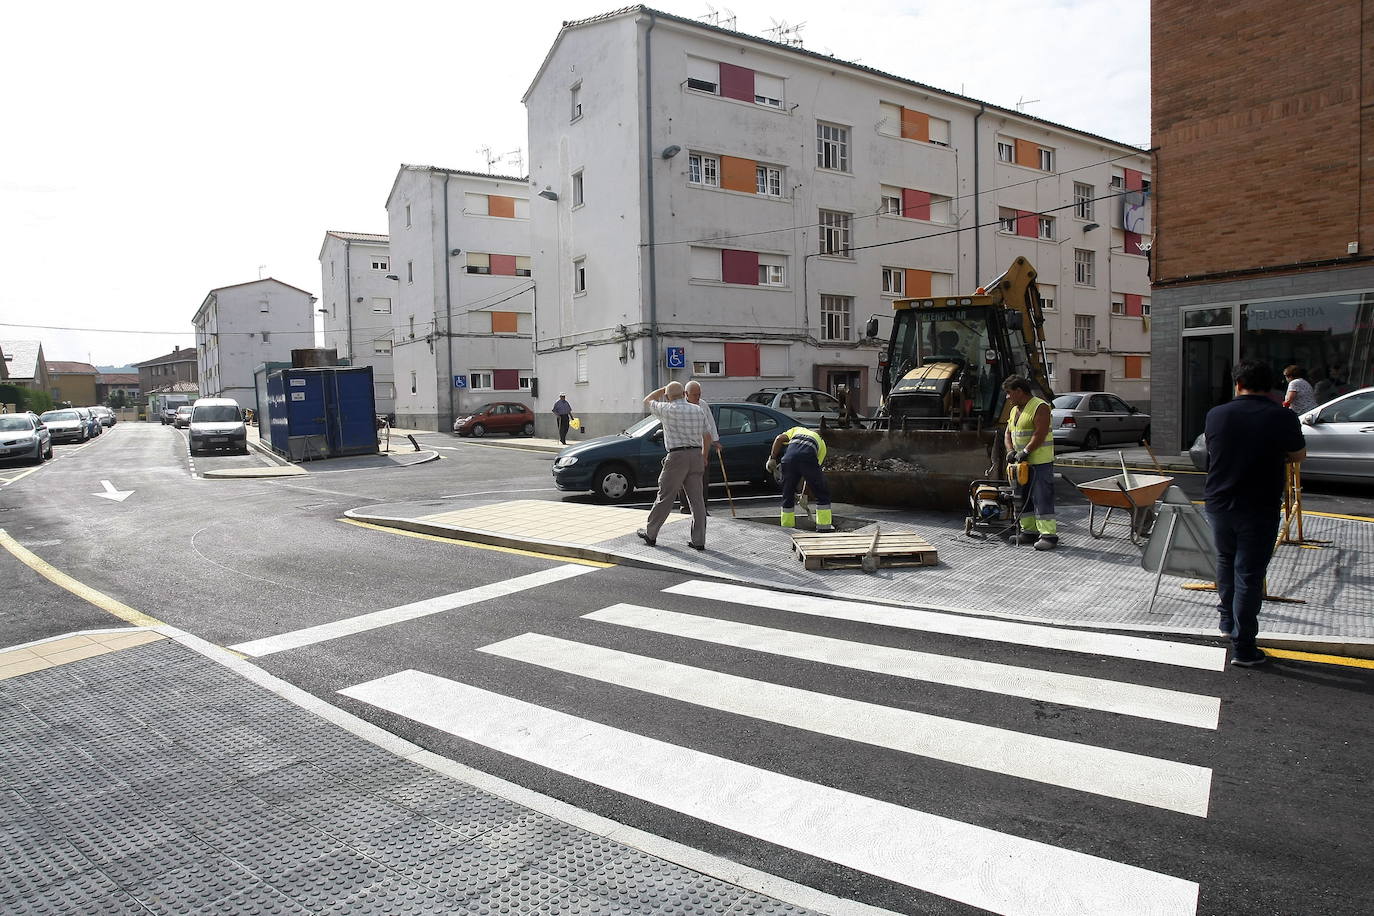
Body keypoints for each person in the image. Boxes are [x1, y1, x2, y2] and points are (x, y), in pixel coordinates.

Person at [1204, 360, 1306, 667]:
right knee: (1249, 572)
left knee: (1225, 560)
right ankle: (1245, 648)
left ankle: (1226, 624)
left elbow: (1213, 451)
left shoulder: (1216, 414)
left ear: (1237, 384)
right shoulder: (1282, 416)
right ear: (1270, 387)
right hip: (1258, 505)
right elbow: (1298, 454)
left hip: (1219, 502)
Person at [636, 381, 709, 550]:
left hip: (677, 457)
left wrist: (663, 390)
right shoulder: (698, 409)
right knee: (697, 501)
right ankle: (699, 541)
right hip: (696, 455)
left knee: (665, 496)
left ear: (668, 397)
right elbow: (707, 436)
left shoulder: (667, 409)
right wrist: (703, 456)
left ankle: (651, 533)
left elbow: (647, 400)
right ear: (685, 393)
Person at [1002, 375, 1057, 550]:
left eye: (1009, 393)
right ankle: (1029, 531)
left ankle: (1048, 535)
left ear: (1019, 391)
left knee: (1042, 497)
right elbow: (1008, 433)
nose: (1007, 397)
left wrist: (1025, 452)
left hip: (1040, 462)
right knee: (1022, 497)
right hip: (1021, 464)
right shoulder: (1014, 410)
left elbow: (1039, 434)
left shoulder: (1040, 407)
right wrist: (1011, 451)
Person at [765, 426, 833, 532]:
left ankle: (787, 528)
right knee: (822, 494)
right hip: (808, 458)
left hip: (789, 459)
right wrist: (804, 495)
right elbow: (810, 477)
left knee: (788, 494)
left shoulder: (797, 430)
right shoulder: (822, 445)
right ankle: (823, 528)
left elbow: (779, 439)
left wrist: (772, 458)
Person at [678, 380, 720, 514]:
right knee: (683, 480)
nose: (698, 397)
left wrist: (715, 441)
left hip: (700, 448)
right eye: (694, 395)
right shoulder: (679, 406)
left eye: (699, 394)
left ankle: (702, 508)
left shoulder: (702, 405)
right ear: (686, 394)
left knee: (702, 479)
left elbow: (710, 425)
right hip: (683, 449)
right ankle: (685, 508)